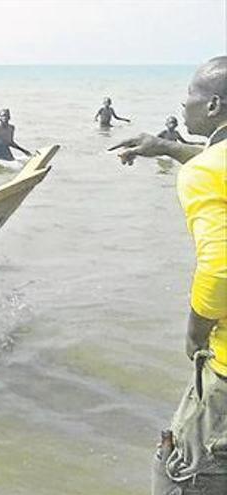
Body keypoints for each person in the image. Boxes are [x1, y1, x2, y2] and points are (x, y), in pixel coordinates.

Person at [109, 56, 227, 495]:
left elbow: (220, 269)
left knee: (182, 472)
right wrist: (165, 147)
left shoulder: (203, 174)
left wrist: (196, 331)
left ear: (213, 105)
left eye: (192, 93)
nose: (184, 101)